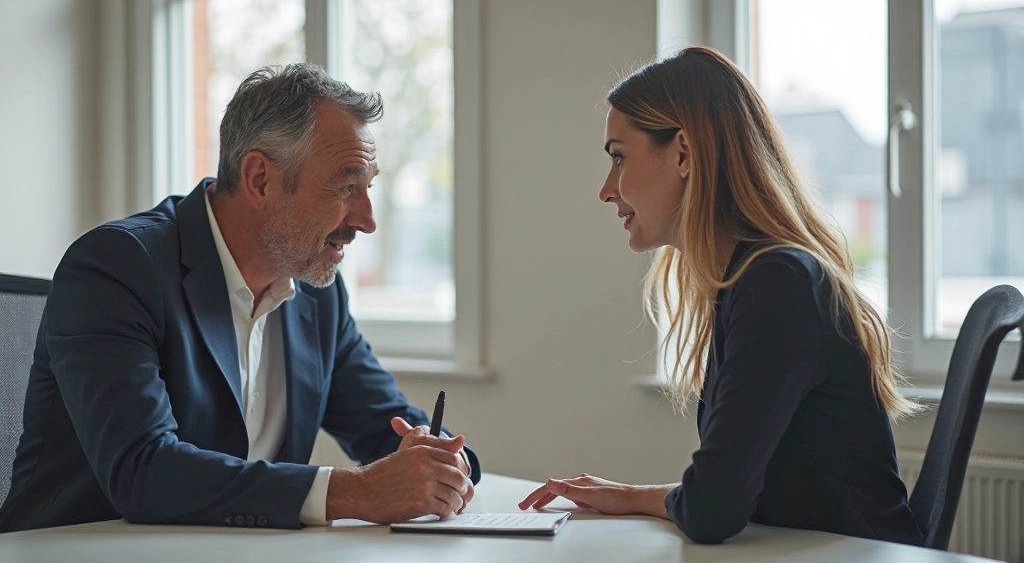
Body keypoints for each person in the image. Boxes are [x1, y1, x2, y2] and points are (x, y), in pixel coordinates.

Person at [0, 63, 480, 532]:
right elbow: (144, 471)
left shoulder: (317, 297)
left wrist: (441, 461)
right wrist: (353, 492)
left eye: (368, 188)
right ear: (259, 179)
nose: (367, 219)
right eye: (346, 186)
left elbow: (387, 427)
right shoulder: (116, 267)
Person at [518, 47, 925, 546]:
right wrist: (633, 496)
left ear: (684, 153)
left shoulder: (778, 284)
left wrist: (646, 497)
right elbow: (730, 495)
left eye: (619, 157)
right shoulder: (753, 276)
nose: (607, 189)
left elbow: (711, 512)